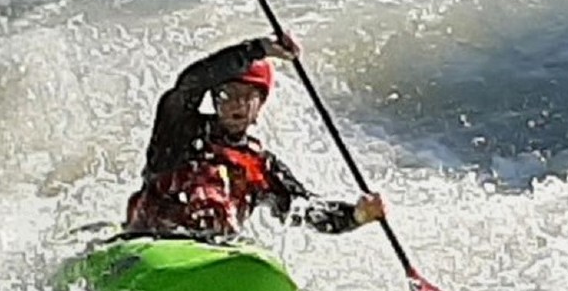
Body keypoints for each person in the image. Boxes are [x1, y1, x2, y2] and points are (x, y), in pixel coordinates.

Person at [123, 34, 386, 240]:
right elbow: (191, 82)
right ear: (214, 99)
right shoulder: (180, 131)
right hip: (149, 241)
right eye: (227, 94)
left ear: (260, 104)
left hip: (212, 254)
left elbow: (306, 210)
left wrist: (358, 215)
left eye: (248, 96)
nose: (237, 104)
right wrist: (257, 49)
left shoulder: (260, 164)